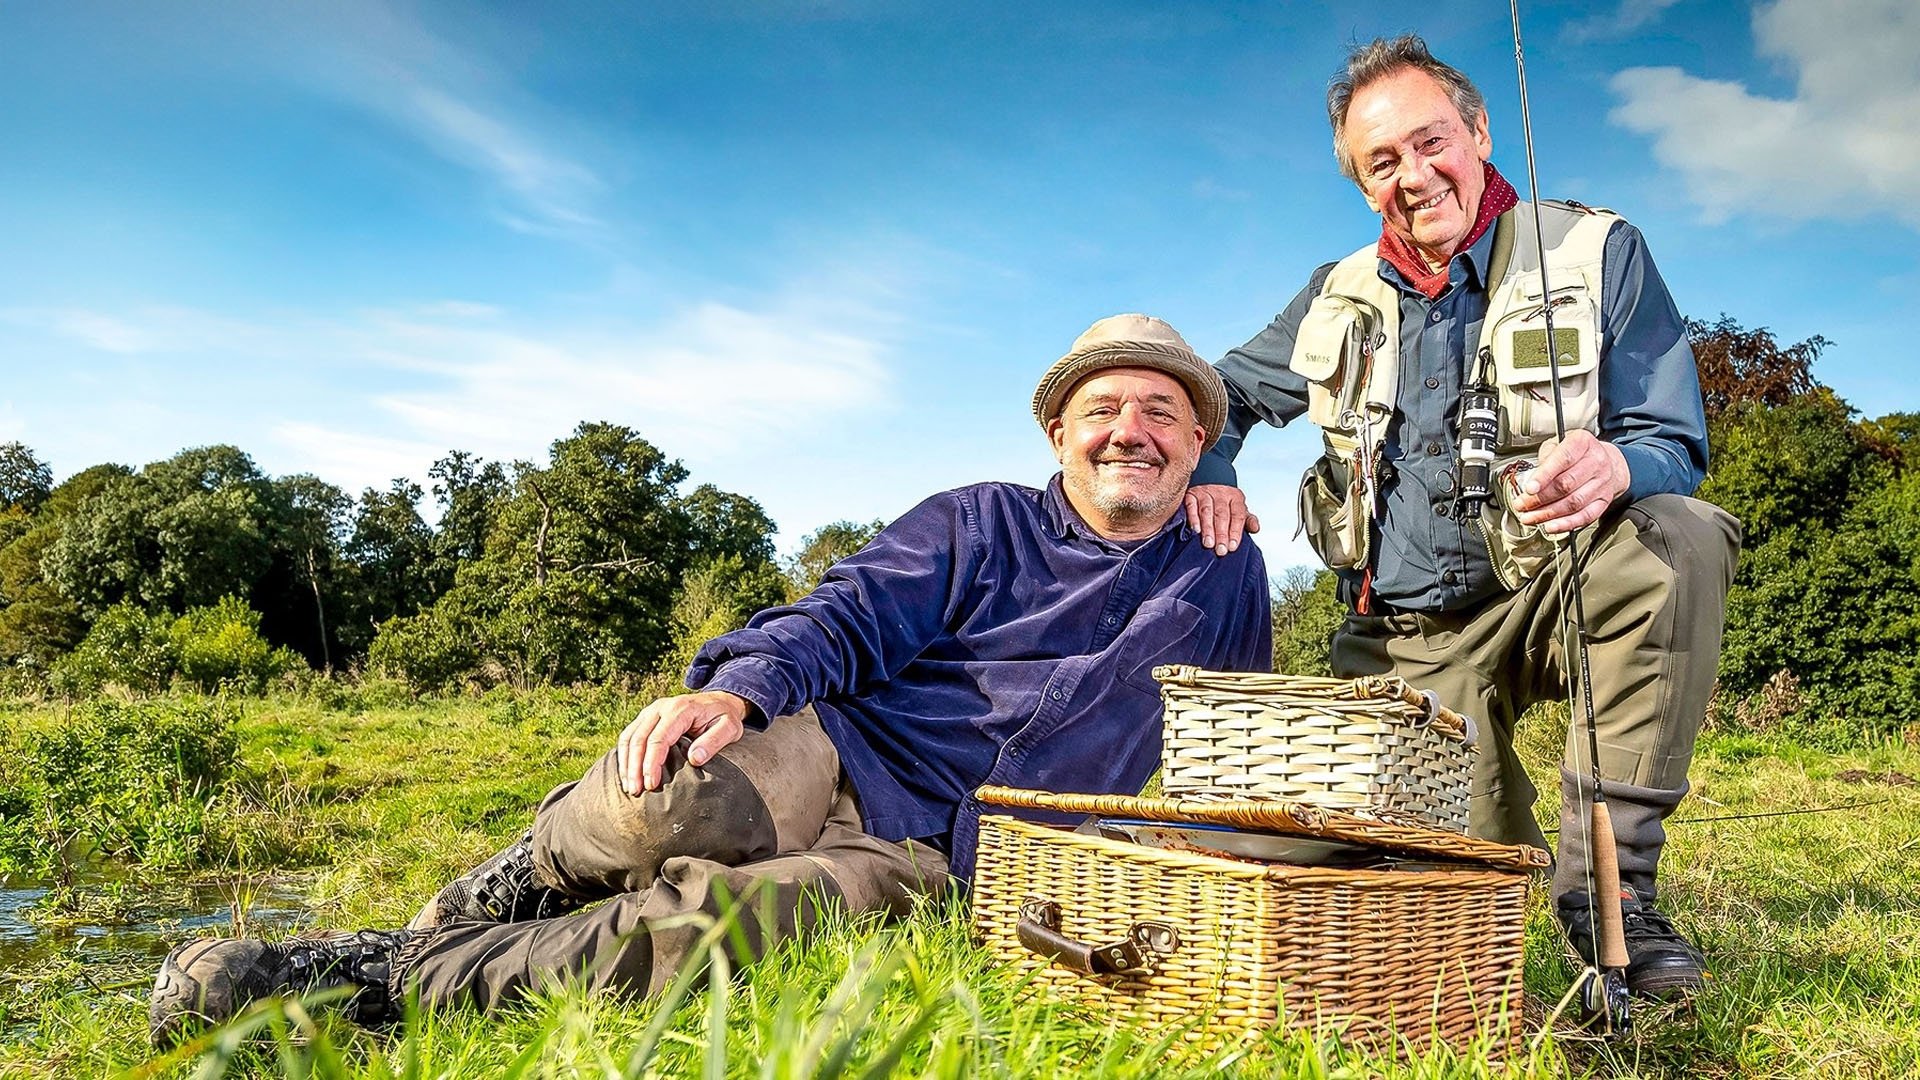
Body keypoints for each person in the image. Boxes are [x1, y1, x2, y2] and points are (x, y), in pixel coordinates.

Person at [149, 314, 1273, 1044]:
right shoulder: (975, 520)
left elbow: (1239, 739)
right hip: (845, 747)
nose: (1130, 432)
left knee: (723, 926)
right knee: (673, 788)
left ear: (1197, 445)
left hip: (956, 848)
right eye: (1103, 410)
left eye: (1161, 412)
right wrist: (738, 689)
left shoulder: (1224, 570)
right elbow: (851, 609)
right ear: (1058, 433)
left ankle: (368, 981)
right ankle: (515, 882)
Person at [1180, 35, 1739, 1000]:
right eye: (1380, 162)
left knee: (1679, 537)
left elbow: (1672, 441)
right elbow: (1212, 395)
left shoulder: (1596, 250)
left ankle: (1612, 897)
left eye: (1430, 141)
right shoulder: (1335, 292)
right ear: (1361, 184)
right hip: (1406, 641)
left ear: (1478, 133)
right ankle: (1481, 853)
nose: (1413, 176)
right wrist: (1215, 469)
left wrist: (1617, 464)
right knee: (1420, 892)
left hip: (1556, 591)